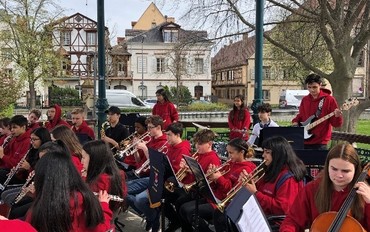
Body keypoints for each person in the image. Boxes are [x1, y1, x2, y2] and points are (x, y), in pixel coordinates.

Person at [221, 136, 307, 231]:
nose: (263, 155)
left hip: (276, 223)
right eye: (264, 152)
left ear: (278, 154)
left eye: (267, 152)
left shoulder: (289, 178)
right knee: (227, 217)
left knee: (231, 222)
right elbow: (262, 189)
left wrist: (255, 193)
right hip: (263, 215)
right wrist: (250, 182)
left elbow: (283, 209)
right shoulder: (272, 169)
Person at [280, 143, 370, 231]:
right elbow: (292, 221)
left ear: (356, 170)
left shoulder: (364, 194)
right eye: (334, 169)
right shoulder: (312, 188)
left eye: (345, 171)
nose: (339, 175)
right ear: (327, 167)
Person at [25, 146, 114, 232]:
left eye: (83, 158)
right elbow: (101, 228)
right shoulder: (83, 200)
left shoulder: (36, 212)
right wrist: (104, 206)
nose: (81, 163)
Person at [178, 138, 257, 232]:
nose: (228, 156)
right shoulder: (230, 164)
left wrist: (219, 178)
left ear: (242, 152)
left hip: (224, 203)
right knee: (183, 208)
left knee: (191, 213)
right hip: (215, 198)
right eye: (228, 152)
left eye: (231, 153)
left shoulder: (246, 169)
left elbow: (232, 192)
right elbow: (217, 186)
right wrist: (212, 177)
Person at [292, 74, 343, 150]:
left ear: (320, 85)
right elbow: (301, 116)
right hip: (303, 141)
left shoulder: (329, 100)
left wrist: (337, 116)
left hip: (320, 143)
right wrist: (295, 121)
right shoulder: (305, 99)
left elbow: (336, 124)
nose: (312, 90)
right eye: (309, 87)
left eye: (314, 87)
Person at [82, 140, 127, 213]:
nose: (81, 161)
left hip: (96, 215)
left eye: (83, 158)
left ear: (94, 160)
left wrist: (83, 179)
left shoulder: (101, 181)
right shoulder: (117, 174)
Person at [0, 115, 31, 184]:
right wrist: (5, 145)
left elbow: (18, 164)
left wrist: (3, 156)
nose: (12, 130)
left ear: (23, 127)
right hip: (8, 170)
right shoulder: (14, 139)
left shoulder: (28, 141)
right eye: (11, 128)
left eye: (15, 127)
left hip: (19, 176)